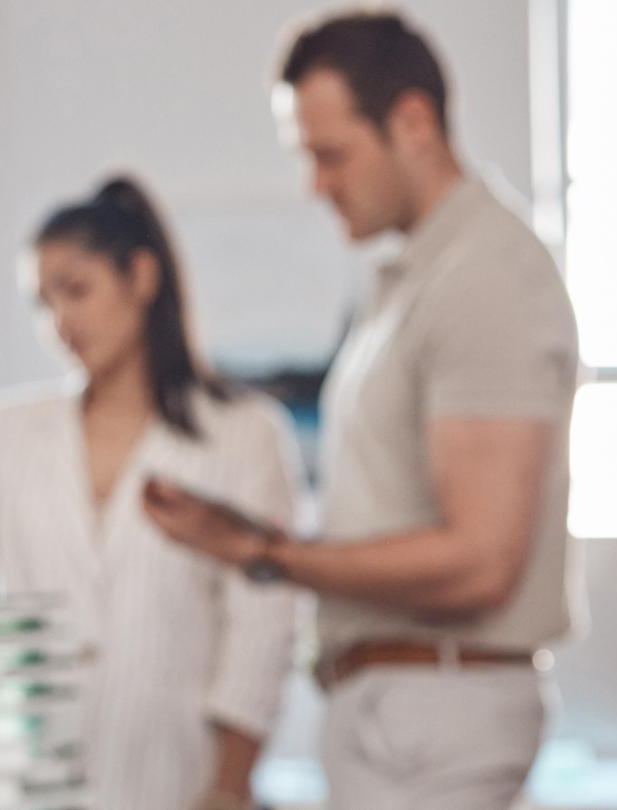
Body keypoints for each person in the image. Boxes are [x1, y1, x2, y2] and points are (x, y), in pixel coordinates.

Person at [143, 12, 580, 809]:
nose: (316, 185)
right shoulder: (414, 275)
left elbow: (481, 561)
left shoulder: (485, 275)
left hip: (437, 712)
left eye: (331, 155)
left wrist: (265, 551)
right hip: (399, 712)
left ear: (412, 122)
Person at [0, 177, 303, 810]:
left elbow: (263, 629)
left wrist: (230, 786)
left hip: (177, 779)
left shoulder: (242, 435)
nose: (59, 322)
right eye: (42, 303)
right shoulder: (9, 431)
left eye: (76, 290)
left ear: (141, 277)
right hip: (32, 777)